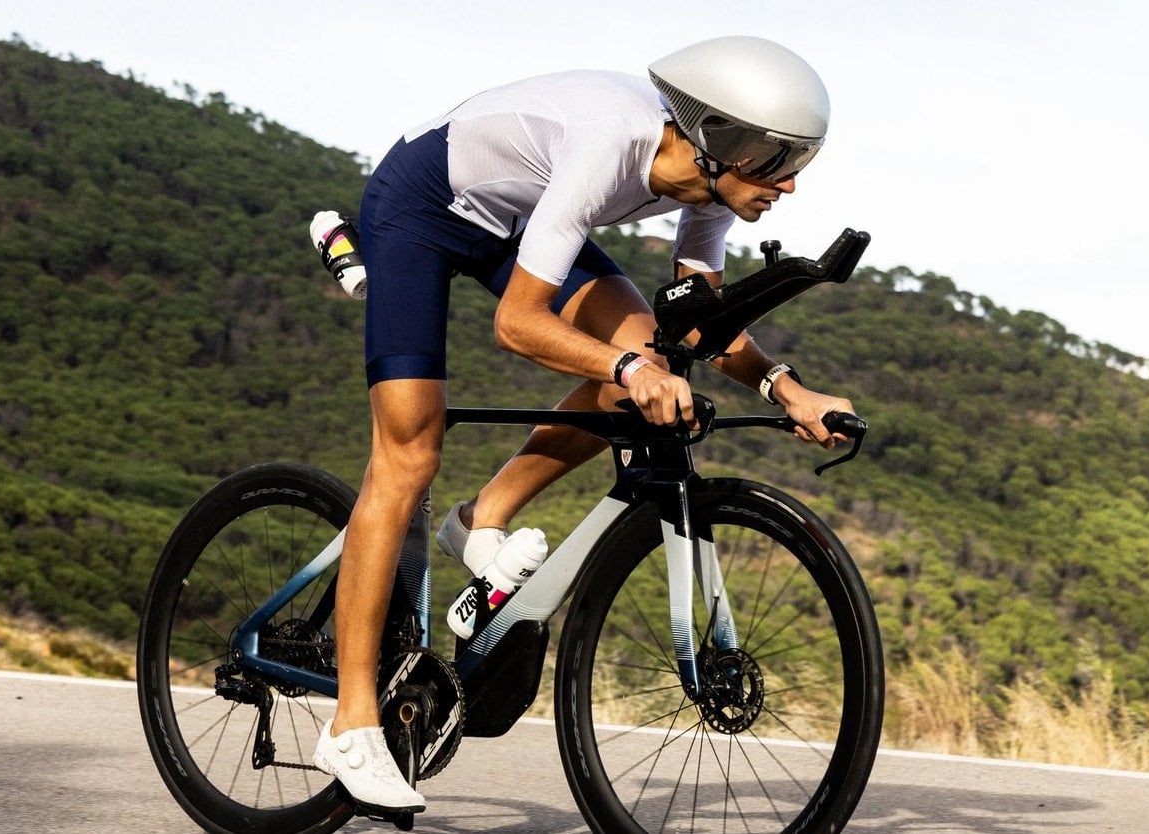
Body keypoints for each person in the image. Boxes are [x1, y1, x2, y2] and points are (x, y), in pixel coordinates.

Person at [312, 35, 860, 811]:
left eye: (798, 160)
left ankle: (481, 520)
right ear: (717, 139)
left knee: (655, 358)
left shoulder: (709, 193)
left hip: (517, 220)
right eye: (777, 160)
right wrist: (629, 369)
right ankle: (351, 723)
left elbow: (698, 324)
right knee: (410, 456)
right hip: (423, 205)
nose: (791, 183)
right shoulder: (612, 142)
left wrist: (788, 390)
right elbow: (517, 324)